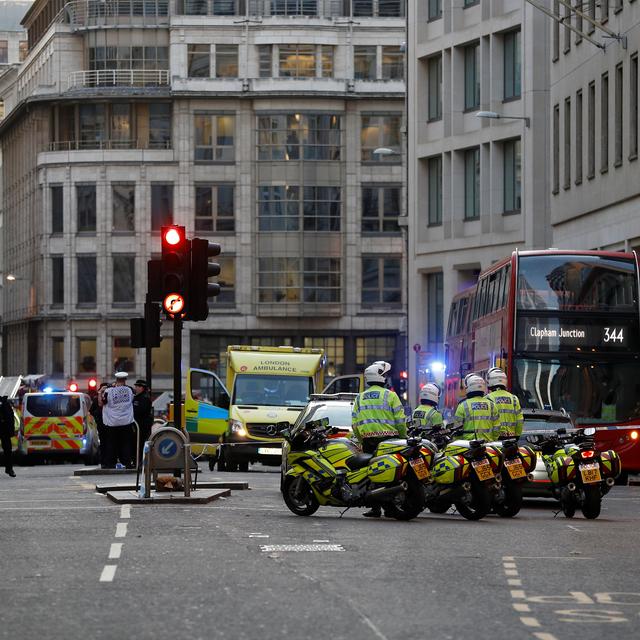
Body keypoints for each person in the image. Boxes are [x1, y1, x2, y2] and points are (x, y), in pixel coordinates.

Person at [352, 360, 406, 518]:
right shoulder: (390, 395)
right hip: (390, 441)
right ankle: (390, 508)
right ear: (381, 377)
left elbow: (355, 424)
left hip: (369, 442)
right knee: (392, 473)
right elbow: (400, 421)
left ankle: (375, 508)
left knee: (372, 474)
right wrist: (403, 437)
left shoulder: (359, 398)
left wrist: (361, 440)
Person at [99, 371, 135, 469]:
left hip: (112, 422)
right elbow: (132, 400)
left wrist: (100, 392)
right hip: (126, 422)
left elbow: (102, 403)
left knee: (111, 443)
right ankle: (127, 462)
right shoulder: (129, 390)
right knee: (126, 443)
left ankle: (111, 463)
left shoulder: (109, 391)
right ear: (125, 380)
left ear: (116, 380)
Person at [454, 373, 500, 441]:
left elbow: (457, 430)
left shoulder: (463, 405)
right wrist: (493, 440)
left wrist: (460, 442)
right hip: (488, 445)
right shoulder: (492, 405)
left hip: (469, 446)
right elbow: (497, 428)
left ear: (468, 388)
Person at [485, 367, 524, 439]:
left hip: (496, 440)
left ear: (490, 381)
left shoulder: (487, 399)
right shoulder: (514, 398)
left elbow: (486, 422)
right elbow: (520, 420)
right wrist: (517, 435)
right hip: (511, 439)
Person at [133, 379, 153, 462]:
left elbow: (142, 411)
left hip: (142, 425)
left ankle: (139, 460)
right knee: (136, 443)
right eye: (136, 386)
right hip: (137, 424)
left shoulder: (144, 398)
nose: (136, 388)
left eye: (139, 386)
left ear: (143, 388)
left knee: (140, 443)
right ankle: (136, 460)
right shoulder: (137, 397)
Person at [90, 383, 109, 468]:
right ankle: (104, 461)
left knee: (110, 443)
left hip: (110, 423)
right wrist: (97, 416)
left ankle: (110, 461)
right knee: (103, 443)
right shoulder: (96, 399)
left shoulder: (110, 397)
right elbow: (91, 411)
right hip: (101, 424)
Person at [0, 396, 16, 477]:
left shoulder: (5, 402)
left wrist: (11, 430)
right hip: (4, 428)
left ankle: (9, 469)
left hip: (4, 429)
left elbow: (10, 416)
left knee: (8, 450)